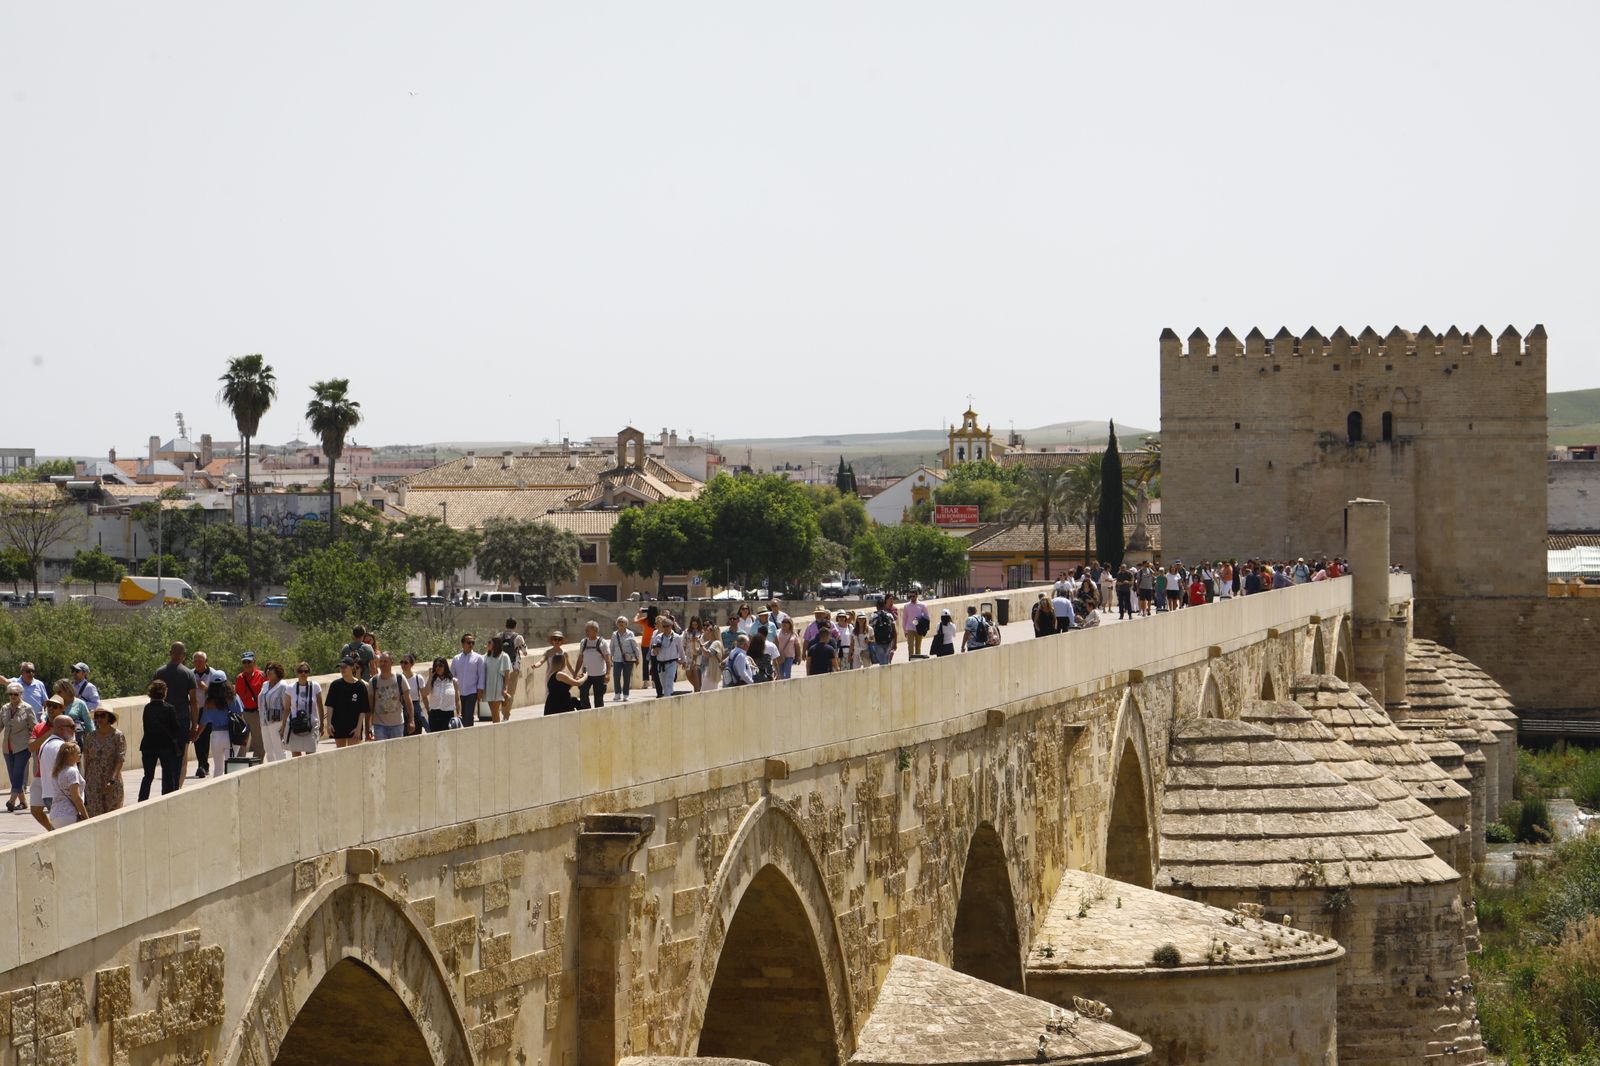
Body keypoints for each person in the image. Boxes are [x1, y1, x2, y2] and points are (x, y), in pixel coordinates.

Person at [153, 642, 200, 783]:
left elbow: (153, 698)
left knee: (165, 758)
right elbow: (193, 701)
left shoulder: (159, 672)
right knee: (181, 758)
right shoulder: (188, 674)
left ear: (170, 653)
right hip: (182, 720)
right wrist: (194, 725)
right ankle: (177, 788)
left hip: (162, 721)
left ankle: (167, 788)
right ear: (184, 655)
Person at [138, 680, 186, 798]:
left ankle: (142, 800)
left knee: (148, 776)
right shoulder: (169, 708)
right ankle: (166, 799)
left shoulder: (147, 708)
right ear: (165, 692)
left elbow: (145, 726)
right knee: (168, 775)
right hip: (166, 745)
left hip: (148, 745)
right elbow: (176, 728)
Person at [29, 712, 73, 830]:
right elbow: (31, 747)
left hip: (56, 780)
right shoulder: (39, 727)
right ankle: (52, 830)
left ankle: (55, 831)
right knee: (35, 809)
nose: (52, 709)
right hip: (40, 775)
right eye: (49, 706)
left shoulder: (67, 725)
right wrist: (50, 733)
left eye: (56, 706)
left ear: (61, 709)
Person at [190, 651, 227, 778]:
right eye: (195, 661)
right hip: (196, 709)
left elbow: (221, 693)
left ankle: (206, 765)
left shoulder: (214, 674)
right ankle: (202, 765)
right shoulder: (189, 674)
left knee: (208, 736)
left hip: (211, 709)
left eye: (200, 660)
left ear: (206, 661)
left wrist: (206, 689)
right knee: (197, 736)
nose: (198, 663)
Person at [83, 705, 125, 816]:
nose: (99, 719)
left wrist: (112, 780)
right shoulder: (90, 737)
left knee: (112, 813)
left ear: (109, 717)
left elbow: (120, 759)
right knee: (94, 814)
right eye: (97, 716)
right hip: (93, 781)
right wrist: (85, 780)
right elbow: (87, 759)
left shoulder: (118, 736)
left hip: (111, 780)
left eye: (102, 716)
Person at [3, 681, 37, 812]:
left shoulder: (27, 708)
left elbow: (34, 727)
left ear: (21, 694)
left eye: (15, 694)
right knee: (13, 776)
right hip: (7, 747)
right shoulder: (5, 708)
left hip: (22, 746)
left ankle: (11, 801)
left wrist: (34, 743)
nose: (13, 696)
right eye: (10, 694)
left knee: (18, 774)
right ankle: (23, 802)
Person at [281, 662, 325, 756]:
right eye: (300, 671)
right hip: (295, 725)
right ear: (297, 673)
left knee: (310, 756)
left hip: (311, 724)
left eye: (306, 671)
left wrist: (322, 725)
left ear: (309, 673)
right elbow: (287, 709)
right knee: (296, 756)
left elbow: (320, 707)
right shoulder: (290, 688)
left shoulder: (315, 686)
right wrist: (283, 726)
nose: (303, 674)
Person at [326, 658, 371, 748]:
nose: (342, 669)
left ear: (352, 667)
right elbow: (330, 706)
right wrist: (329, 724)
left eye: (344, 667)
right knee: (340, 752)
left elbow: (363, 709)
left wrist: (358, 728)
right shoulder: (335, 685)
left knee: (353, 754)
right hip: (338, 725)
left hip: (354, 726)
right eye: (340, 667)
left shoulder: (360, 686)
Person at [370, 653, 413, 740]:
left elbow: (408, 701)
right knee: (381, 751)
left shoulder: (400, 678)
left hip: (397, 724)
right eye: (381, 661)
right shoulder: (373, 681)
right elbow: (370, 706)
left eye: (385, 661)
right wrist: (369, 727)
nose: (382, 664)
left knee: (396, 752)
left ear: (391, 662)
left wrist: (411, 720)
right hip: (379, 725)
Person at [234, 652, 267, 761]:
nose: (247, 664)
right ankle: (240, 764)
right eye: (244, 662)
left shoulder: (261, 676)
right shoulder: (239, 678)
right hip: (243, 713)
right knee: (242, 740)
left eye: (249, 661)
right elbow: (236, 695)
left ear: (254, 662)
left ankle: (257, 763)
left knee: (258, 741)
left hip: (257, 712)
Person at [198, 679, 237, 772]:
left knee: (218, 768)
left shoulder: (209, 702)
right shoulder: (233, 698)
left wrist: (196, 735)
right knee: (231, 768)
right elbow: (240, 716)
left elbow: (203, 722)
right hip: (231, 735)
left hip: (216, 736)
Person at [48, 741, 88, 829]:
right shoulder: (72, 771)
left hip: (55, 814)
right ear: (70, 755)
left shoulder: (56, 772)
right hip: (69, 814)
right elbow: (76, 797)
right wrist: (86, 817)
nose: (80, 755)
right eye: (78, 753)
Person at [257, 663, 290, 761]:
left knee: (279, 748)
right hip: (264, 722)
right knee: (268, 750)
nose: (268, 673)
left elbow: (287, 707)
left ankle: (283, 772)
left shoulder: (283, 686)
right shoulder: (265, 684)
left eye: (271, 672)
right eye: (267, 671)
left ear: (277, 673)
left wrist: (284, 725)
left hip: (277, 722)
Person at [543, 638, 585, 715]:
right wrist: (585, 676)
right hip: (559, 706)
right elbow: (578, 683)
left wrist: (576, 679)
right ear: (563, 662)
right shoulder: (559, 674)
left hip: (557, 705)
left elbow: (564, 687)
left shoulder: (554, 674)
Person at [451, 634, 486, 725]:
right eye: (468, 642)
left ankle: (468, 733)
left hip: (472, 692)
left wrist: (480, 690)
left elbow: (481, 675)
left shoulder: (478, 658)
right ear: (463, 644)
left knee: (468, 716)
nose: (471, 644)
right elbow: (451, 675)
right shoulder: (456, 658)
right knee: (460, 715)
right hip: (459, 692)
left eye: (472, 642)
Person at [577, 622, 611, 708]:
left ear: (595, 631)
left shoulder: (602, 643)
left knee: (598, 699)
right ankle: (587, 712)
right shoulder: (583, 642)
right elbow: (580, 658)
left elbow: (608, 660)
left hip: (599, 675)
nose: (586, 631)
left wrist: (608, 674)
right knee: (583, 695)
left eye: (588, 630)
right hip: (585, 675)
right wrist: (575, 673)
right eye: (586, 630)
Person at [52, 678, 91, 752]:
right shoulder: (55, 703)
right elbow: (47, 716)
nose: (57, 694)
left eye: (59, 692)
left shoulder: (80, 704)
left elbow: (89, 724)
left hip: (75, 742)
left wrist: (93, 742)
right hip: (57, 742)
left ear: (67, 690)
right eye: (56, 692)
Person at [482, 635, 514, 723]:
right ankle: (496, 728)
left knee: (495, 711)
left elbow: (507, 674)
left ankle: (496, 730)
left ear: (495, 644)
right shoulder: (486, 656)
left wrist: (505, 688)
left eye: (489, 643)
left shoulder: (504, 656)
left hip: (498, 687)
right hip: (489, 687)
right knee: (493, 712)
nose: (487, 644)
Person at [424, 658, 461, 733]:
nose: (438, 668)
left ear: (445, 667)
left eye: (440, 666)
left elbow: (457, 699)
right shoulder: (432, 681)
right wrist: (430, 677)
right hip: (434, 715)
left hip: (448, 714)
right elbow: (426, 693)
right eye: (436, 666)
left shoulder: (453, 681)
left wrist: (459, 713)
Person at [651, 617, 684, 696]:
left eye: (667, 626)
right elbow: (653, 652)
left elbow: (681, 650)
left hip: (672, 663)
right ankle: (669, 696)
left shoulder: (676, 637)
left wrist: (684, 660)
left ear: (671, 626)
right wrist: (656, 650)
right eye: (664, 626)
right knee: (664, 684)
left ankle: (667, 699)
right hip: (661, 664)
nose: (665, 628)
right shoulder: (658, 637)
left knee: (669, 682)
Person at [610, 618, 640, 702]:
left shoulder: (630, 634)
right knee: (616, 676)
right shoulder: (614, 634)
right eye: (619, 622)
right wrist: (610, 657)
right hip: (617, 658)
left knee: (626, 677)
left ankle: (626, 694)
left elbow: (635, 646)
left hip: (628, 659)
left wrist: (637, 657)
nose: (621, 624)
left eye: (623, 622)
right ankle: (617, 693)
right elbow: (611, 647)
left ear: (626, 624)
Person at [500, 619, 527, 706]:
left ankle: (500, 711)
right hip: (514, 667)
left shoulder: (499, 636)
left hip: (502, 668)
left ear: (506, 625)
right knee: (511, 691)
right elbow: (525, 652)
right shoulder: (518, 637)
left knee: (502, 690)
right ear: (515, 626)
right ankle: (506, 714)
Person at [634, 605, 659, 695]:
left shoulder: (645, 620)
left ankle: (645, 682)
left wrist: (639, 613)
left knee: (645, 663)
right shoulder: (657, 621)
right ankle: (654, 681)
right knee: (654, 663)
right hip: (655, 644)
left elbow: (635, 620)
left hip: (645, 644)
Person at [868, 595, 898, 666]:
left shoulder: (873, 616)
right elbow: (894, 631)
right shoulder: (889, 615)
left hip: (878, 642)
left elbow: (870, 630)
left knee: (882, 661)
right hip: (888, 641)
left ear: (877, 606)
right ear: (884, 605)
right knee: (886, 660)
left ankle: (884, 675)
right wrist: (895, 643)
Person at [399, 655, 425, 733]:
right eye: (401, 662)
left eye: (406, 663)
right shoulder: (398, 678)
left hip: (415, 710)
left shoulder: (418, 678)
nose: (403, 665)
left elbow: (424, 696)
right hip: (402, 710)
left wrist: (428, 710)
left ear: (412, 664)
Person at [902, 591, 930, 659]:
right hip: (910, 628)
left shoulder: (922, 605)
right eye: (910, 596)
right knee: (910, 645)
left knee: (918, 647)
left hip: (919, 628)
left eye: (913, 596)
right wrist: (905, 630)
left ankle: (917, 661)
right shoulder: (906, 606)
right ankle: (911, 660)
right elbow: (904, 618)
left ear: (917, 596)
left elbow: (927, 617)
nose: (912, 598)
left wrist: (926, 628)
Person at [682, 617, 705, 692]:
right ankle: (698, 687)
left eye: (696, 624)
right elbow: (683, 644)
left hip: (698, 656)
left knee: (696, 674)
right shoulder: (687, 632)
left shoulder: (702, 632)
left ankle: (697, 689)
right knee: (688, 674)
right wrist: (683, 657)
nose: (694, 626)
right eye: (693, 624)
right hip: (688, 656)